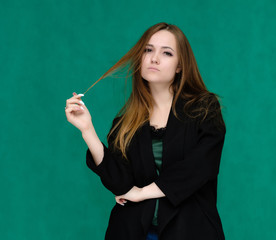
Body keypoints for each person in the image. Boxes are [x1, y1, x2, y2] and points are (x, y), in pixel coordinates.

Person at [65, 22, 226, 240]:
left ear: (180, 65)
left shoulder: (203, 109)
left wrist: (142, 192)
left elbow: (200, 166)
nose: (154, 58)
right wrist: (87, 130)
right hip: (132, 231)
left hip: (190, 230)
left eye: (167, 53)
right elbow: (121, 184)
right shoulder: (126, 122)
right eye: (148, 50)